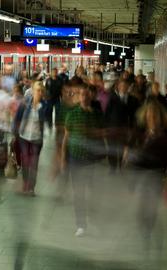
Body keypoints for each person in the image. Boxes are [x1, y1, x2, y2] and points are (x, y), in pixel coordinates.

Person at [124, 99, 167, 253]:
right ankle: (146, 232)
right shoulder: (141, 131)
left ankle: (149, 233)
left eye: (154, 115)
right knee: (141, 209)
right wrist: (127, 154)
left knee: (152, 207)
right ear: (145, 116)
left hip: (156, 175)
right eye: (149, 115)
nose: (152, 118)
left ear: (160, 117)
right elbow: (129, 146)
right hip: (139, 174)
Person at [61, 83, 105, 237]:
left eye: (87, 95)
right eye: (82, 95)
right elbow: (66, 137)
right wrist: (63, 158)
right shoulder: (72, 115)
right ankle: (81, 224)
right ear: (79, 98)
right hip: (76, 158)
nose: (85, 97)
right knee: (78, 193)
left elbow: (101, 135)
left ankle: (96, 220)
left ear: (91, 97)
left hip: (92, 159)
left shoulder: (97, 115)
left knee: (94, 192)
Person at [13, 81, 47, 196]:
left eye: (42, 91)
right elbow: (17, 119)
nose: (40, 93)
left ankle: (31, 188)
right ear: (32, 91)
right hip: (24, 137)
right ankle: (25, 184)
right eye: (38, 90)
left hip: (36, 139)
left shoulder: (44, 106)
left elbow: (44, 123)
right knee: (26, 162)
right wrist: (14, 134)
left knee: (34, 164)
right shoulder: (24, 103)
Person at [105, 79, 140, 173]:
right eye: (121, 86)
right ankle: (112, 167)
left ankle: (120, 166)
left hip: (126, 128)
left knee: (122, 147)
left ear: (128, 87)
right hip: (113, 127)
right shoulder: (112, 99)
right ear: (118, 87)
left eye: (125, 86)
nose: (123, 88)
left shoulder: (134, 100)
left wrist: (134, 128)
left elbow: (136, 115)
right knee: (112, 148)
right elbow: (107, 114)